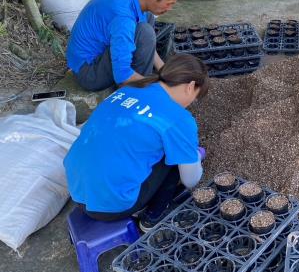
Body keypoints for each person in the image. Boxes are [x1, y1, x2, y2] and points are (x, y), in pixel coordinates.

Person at [64, 54, 208, 231]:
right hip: (111, 205)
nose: (191, 103)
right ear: (191, 86)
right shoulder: (179, 119)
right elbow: (190, 180)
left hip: (77, 190)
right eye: (195, 97)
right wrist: (195, 156)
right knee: (174, 159)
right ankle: (153, 218)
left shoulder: (127, 91)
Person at [66, 0, 186, 92]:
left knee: (148, 16)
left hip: (94, 56)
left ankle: (143, 80)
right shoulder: (123, 18)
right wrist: (160, 89)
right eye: (169, 4)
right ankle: (137, 92)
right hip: (88, 72)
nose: (169, 9)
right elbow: (122, 75)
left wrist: (163, 69)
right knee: (145, 33)